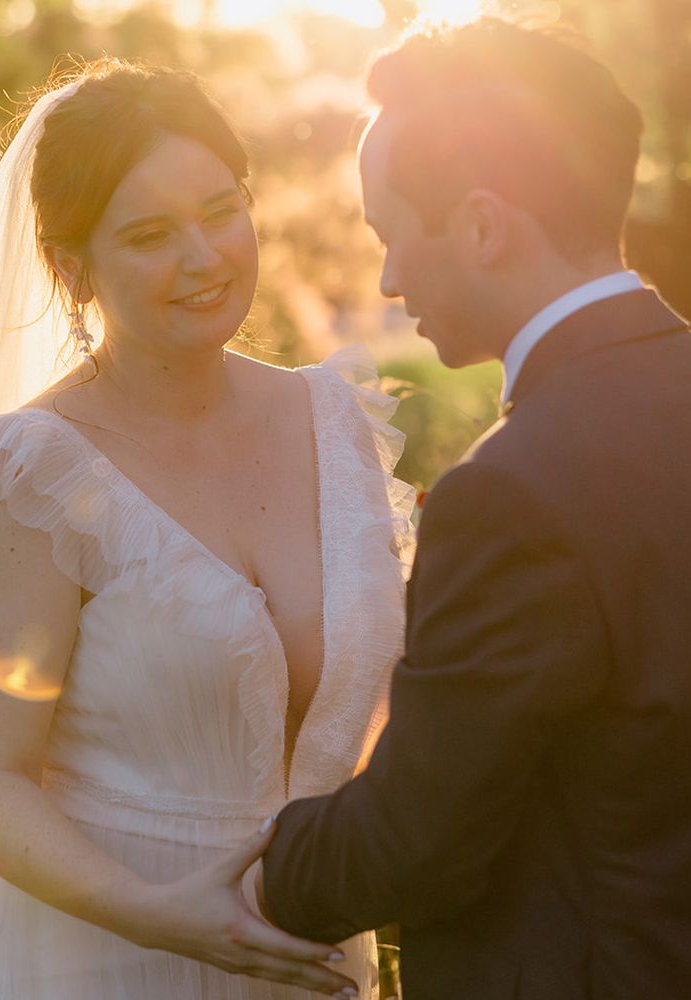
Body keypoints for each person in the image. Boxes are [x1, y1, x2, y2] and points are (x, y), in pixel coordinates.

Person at [0, 57, 413, 1000]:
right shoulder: (30, 476)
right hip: (98, 950)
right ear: (69, 265)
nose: (205, 256)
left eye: (222, 211)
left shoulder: (333, 422)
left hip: (305, 943)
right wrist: (161, 914)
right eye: (148, 235)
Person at [258, 16, 691, 1000]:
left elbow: (414, 843)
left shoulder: (513, 492)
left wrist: (241, 857)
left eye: (389, 234)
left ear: (483, 226)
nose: (387, 278)